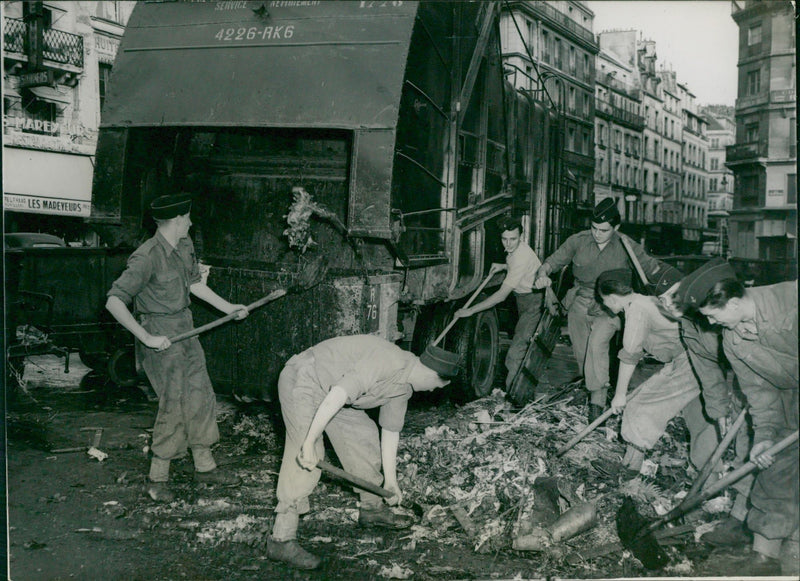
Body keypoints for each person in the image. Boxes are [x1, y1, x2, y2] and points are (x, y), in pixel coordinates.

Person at [266, 335, 460, 570]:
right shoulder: (388, 361)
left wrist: (391, 481)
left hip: (333, 393)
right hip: (306, 378)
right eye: (436, 386)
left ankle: (372, 508)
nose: (432, 390)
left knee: (364, 437)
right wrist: (308, 441)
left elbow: (390, 431)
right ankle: (282, 539)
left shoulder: (403, 388)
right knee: (307, 456)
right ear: (431, 374)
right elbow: (338, 394)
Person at [106, 193, 249, 502]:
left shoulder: (184, 245)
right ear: (177, 220)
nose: (191, 223)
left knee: (200, 394)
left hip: (186, 328)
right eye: (188, 218)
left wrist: (228, 308)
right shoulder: (146, 257)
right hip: (160, 334)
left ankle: (205, 467)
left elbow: (195, 285)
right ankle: (157, 478)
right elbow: (114, 301)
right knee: (173, 401)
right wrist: (146, 338)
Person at [675, 258, 798, 576]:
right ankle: (765, 558)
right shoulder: (732, 340)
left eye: (712, 315)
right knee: (774, 472)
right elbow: (759, 391)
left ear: (731, 303)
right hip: (787, 400)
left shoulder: (791, 302)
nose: (710, 324)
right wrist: (765, 435)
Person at [534, 198, 662, 422]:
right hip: (580, 301)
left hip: (610, 307)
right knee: (583, 354)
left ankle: (597, 404)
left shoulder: (627, 245)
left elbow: (654, 270)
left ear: (616, 227)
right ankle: (593, 387)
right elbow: (551, 263)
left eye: (604, 230)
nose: (597, 234)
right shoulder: (578, 241)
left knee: (597, 346)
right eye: (594, 228)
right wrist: (542, 275)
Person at [594, 268, 717, 477]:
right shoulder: (645, 300)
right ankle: (708, 474)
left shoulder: (637, 309)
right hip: (697, 357)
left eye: (603, 300)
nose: (604, 305)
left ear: (613, 298)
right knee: (699, 415)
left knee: (640, 406)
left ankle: (630, 469)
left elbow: (630, 355)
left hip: (691, 360)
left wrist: (620, 395)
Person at [454, 216, 548, 389]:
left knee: (515, 354)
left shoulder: (521, 257)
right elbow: (516, 265)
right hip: (524, 299)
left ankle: (514, 398)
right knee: (522, 348)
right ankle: (520, 393)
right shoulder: (516, 251)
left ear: (521, 236)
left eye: (513, 239)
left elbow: (501, 296)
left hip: (534, 303)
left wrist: (471, 310)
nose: (508, 244)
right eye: (505, 239)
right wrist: (503, 266)